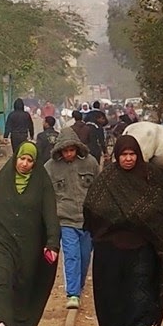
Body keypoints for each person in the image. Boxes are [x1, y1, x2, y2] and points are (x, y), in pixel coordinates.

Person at [83, 134, 163, 326]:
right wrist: (121, 218)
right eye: (124, 155)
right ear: (117, 156)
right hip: (111, 247)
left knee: (141, 285)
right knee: (114, 289)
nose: (128, 159)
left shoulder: (151, 176)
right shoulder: (107, 179)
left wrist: (142, 220)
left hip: (143, 244)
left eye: (132, 154)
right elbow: (93, 208)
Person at [0, 142, 60, 326]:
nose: (24, 164)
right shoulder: (1, 180)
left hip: (28, 245)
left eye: (30, 161)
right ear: (15, 158)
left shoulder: (42, 184)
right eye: (22, 159)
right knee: (0, 278)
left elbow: (50, 215)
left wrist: (52, 242)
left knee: (21, 285)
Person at [45, 127, 100, 310]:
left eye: (72, 150)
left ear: (77, 148)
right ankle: (73, 294)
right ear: (59, 151)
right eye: (65, 150)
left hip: (88, 220)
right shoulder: (50, 168)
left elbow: (99, 189)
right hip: (65, 219)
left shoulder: (91, 163)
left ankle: (80, 286)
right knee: (71, 256)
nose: (69, 154)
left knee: (85, 257)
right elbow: (45, 196)